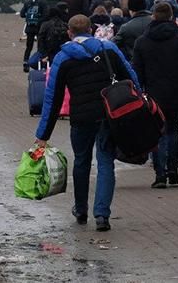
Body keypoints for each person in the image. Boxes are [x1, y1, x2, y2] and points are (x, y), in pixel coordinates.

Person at [35, 15, 141, 233]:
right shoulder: (108, 49)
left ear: (70, 33)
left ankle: (81, 209)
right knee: (105, 162)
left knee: (81, 162)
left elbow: (52, 98)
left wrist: (43, 134)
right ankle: (102, 214)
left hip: (81, 118)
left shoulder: (63, 58)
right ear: (91, 30)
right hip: (109, 115)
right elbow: (131, 77)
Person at [132, 3, 178, 188]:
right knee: (172, 131)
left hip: (152, 95)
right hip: (176, 93)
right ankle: (173, 169)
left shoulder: (142, 41)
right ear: (171, 17)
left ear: (153, 16)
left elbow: (136, 73)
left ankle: (160, 174)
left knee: (157, 134)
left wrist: (137, 95)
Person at [19, 0, 49, 71]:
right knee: (40, 46)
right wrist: (40, 21)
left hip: (29, 27)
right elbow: (46, 15)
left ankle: (26, 61)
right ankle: (39, 62)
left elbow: (21, 14)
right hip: (39, 28)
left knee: (29, 46)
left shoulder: (27, 2)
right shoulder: (42, 2)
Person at [34, 3, 70, 68]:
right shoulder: (65, 25)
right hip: (61, 52)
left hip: (48, 52)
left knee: (33, 62)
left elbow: (41, 40)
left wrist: (44, 54)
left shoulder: (45, 24)